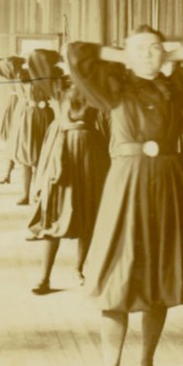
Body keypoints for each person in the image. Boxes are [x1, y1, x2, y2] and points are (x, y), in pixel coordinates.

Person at [68, 26, 183, 366]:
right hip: (127, 183)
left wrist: (172, 53)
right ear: (125, 54)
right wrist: (123, 55)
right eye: (139, 49)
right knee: (117, 282)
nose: (148, 54)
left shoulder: (178, 87)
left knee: (158, 277)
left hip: (169, 183)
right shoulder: (114, 86)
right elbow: (77, 54)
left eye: (155, 48)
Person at [27, 47, 109, 294]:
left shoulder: (97, 88)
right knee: (55, 212)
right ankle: (44, 277)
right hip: (64, 154)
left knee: (88, 211)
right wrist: (63, 59)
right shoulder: (58, 87)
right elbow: (36, 60)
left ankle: (80, 269)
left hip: (92, 153)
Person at [6, 57, 53, 205]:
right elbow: (21, 98)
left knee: (43, 156)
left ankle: (39, 193)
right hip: (29, 117)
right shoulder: (23, 76)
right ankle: (25, 194)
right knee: (27, 155)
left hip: (46, 116)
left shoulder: (50, 76)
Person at [0, 55, 24, 185]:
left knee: (19, 140)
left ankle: (7, 173)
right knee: (11, 141)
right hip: (14, 105)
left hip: (21, 105)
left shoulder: (21, 75)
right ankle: (7, 173)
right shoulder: (12, 76)